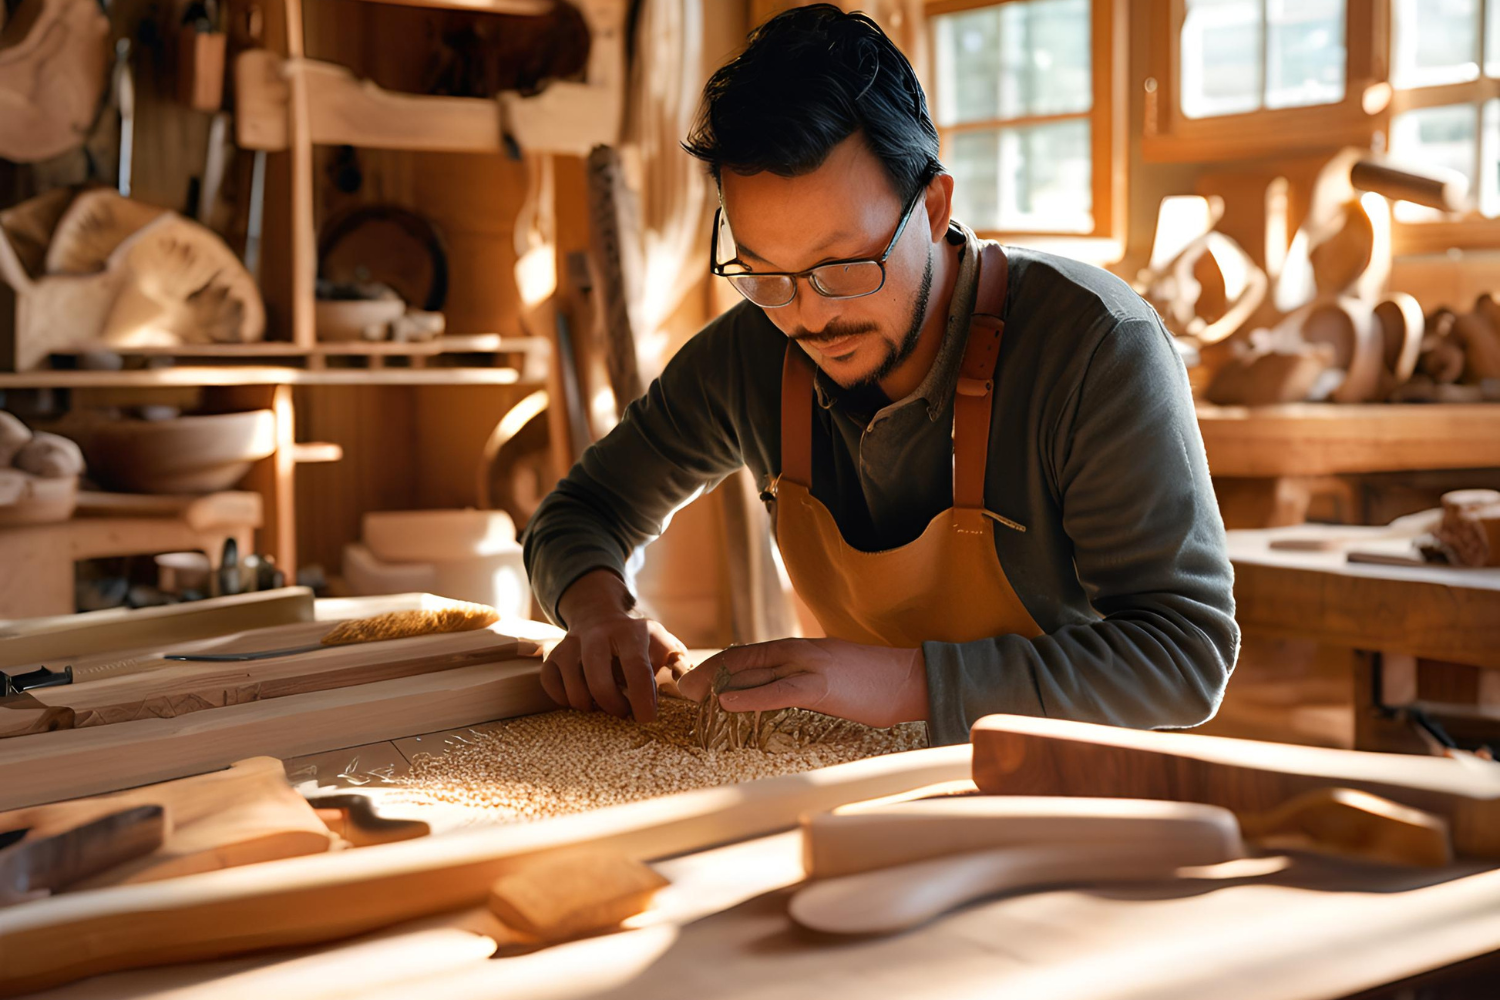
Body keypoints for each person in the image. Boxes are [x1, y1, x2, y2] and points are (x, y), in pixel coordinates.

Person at [520, 4, 1238, 745]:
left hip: (1068, 796)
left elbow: (1184, 654)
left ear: (932, 208)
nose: (807, 317)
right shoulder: (753, 350)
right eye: (766, 274)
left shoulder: (1094, 348)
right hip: (858, 779)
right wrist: (601, 614)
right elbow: (581, 513)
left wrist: (902, 682)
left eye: (842, 268)